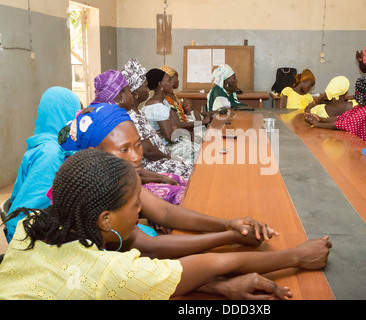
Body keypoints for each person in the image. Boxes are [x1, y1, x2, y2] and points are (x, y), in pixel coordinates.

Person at [0, 148, 332, 299]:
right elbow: (217, 262)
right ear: (105, 219)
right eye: (136, 206)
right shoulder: (106, 270)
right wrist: (297, 257)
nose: (142, 210)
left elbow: (146, 257)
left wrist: (225, 240)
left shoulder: (35, 228)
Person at [59, 103, 279, 258]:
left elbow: (165, 212)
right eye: (124, 149)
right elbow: (149, 248)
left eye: (137, 145)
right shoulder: (89, 193)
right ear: (91, 153)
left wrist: (226, 223)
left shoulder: (118, 179)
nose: (136, 156)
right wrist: (229, 236)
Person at [85, 69, 187, 206]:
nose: (131, 94)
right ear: (119, 95)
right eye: (128, 90)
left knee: (183, 181)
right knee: (182, 191)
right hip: (125, 183)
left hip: (134, 174)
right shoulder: (114, 125)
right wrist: (160, 177)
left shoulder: (122, 118)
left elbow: (129, 167)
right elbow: (130, 166)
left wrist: (161, 178)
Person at [4, 87, 81, 243]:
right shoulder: (50, 154)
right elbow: (26, 219)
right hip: (34, 238)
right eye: (76, 114)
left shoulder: (55, 146)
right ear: (65, 114)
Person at [121, 59, 193, 180]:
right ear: (136, 92)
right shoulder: (132, 116)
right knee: (191, 173)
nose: (148, 90)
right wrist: (172, 159)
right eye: (145, 87)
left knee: (192, 167)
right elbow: (149, 152)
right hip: (152, 164)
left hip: (161, 156)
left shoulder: (139, 112)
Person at [305, 76, 366, 143]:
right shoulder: (361, 107)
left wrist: (318, 124)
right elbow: (342, 117)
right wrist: (320, 119)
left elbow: (344, 124)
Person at [142, 68, 200, 164]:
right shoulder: (157, 107)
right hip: (164, 148)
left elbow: (173, 126)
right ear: (160, 84)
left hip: (171, 142)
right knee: (199, 154)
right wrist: (177, 130)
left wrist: (175, 129)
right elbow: (170, 137)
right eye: (169, 80)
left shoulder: (163, 102)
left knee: (200, 148)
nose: (172, 83)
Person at [160, 65, 212, 139]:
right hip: (180, 133)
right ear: (169, 81)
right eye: (176, 79)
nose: (178, 81)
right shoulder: (167, 100)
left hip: (185, 130)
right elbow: (178, 124)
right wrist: (203, 122)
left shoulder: (173, 95)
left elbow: (181, 116)